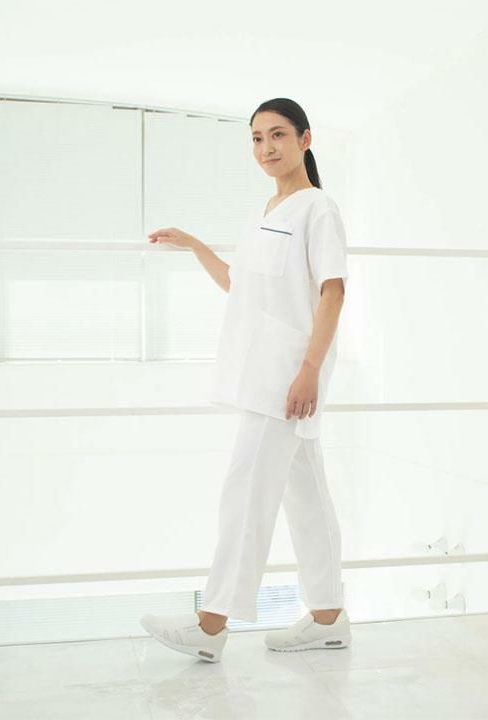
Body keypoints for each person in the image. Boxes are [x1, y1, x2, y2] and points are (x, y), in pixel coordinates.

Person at [140, 98, 351, 663]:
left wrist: (310, 371)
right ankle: (328, 618)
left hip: (287, 379)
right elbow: (242, 286)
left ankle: (211, 624)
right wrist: (195, 246)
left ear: (305, 139)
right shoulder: (267, 210)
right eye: (256, 138)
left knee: (246, 491)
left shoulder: (318, 209)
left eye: (278, 135)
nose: (266, 148)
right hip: (264, 372)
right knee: (306, 497)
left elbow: (333, 291)